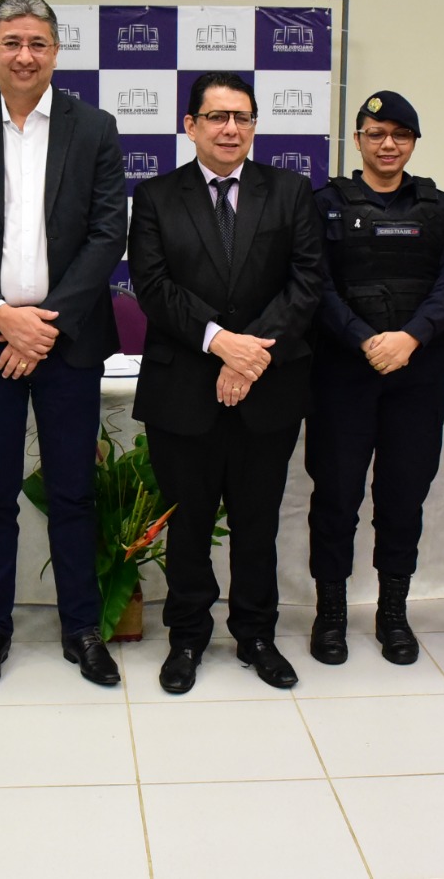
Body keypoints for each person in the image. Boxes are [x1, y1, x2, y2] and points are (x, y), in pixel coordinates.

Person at [0, 0, 127, 690]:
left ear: (55, 53)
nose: (24, 55)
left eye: (38, 43)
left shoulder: (93, 128)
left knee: (73, 491)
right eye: (11, 42)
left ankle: (83, 627)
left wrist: (42, 325)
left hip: (65, 343)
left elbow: (108, 236)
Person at [129, 71, 324, 694]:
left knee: (258, 520)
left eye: (241, 116)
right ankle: (186, 637)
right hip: (183, 387)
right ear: (190, 125)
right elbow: (153, 288)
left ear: (255, 124)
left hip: (268, 388)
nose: (230, 128)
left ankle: (256, 635)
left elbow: (306, 282)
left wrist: (248, 358)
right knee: (188, 522)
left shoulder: (291, 191)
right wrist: (221, 345)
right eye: (216, 117)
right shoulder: (156, 196)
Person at [305, 91, 444, 666]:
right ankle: (330, 616)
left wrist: (410, 337)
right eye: (376, 133)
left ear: (414, 143)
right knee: (336, 499)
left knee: (403, 499)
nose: (388, 144)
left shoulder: (437, 207)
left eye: (400, 134)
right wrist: (363, 338)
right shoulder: (325, 203)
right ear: (358, 140)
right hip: (342, 374)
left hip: (415, 374)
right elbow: (314, 284)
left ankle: (392, 612)